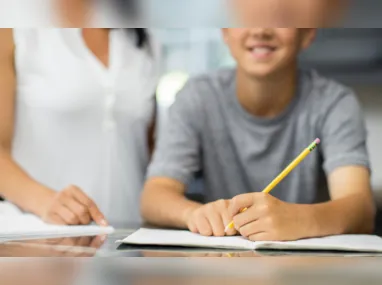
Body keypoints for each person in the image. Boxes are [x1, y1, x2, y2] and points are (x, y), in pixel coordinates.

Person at [140, 28, 375, 241]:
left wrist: (302, 219)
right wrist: (194, 214)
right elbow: (154, 195)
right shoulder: (197, 96)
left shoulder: (335, 103)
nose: (261, 30)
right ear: (224, 30)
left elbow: (361, 209)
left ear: (308, 32)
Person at [0, 28, 158, 225]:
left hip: (126, 236)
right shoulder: (14, 31)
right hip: (42, 232)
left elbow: (153, 154)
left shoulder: (145, 40)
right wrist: (45, 201)